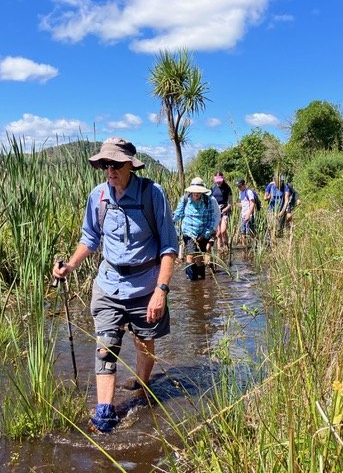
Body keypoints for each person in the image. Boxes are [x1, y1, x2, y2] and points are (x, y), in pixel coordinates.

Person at [52, 137, 178, 433]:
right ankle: (105, 412)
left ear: (130, 166)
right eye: (105, 164)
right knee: (106, 347)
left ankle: (144, 387)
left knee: (144, 342)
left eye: (116, 164)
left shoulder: (152, 194)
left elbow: (169, 247)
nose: (110, 170)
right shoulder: (98, 197)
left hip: (146, 286)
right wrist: (70, 265)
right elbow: (90, 238)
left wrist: (161, 291)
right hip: (108, 285)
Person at [172, 177, 220, 280]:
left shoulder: (209, 201)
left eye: (198, 192)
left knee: (199, 257)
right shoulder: (185, 199)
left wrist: (206, 233)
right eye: (194, 192)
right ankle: (191, 280)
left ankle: (200, 279)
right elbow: (178, 214)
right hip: (189, 232)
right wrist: (170, 221)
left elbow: (212, 218)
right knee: (190, 255)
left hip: (203, 232)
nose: (196, 194)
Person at [210, 172, 233, 251]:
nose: (218, 182)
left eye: (220, 180)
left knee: (223, 230)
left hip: (225, 211)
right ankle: (220, 249)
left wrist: (224, 209)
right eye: (217, 180)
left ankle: (227, 246)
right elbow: (210, 201)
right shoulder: (212, 188)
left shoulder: (227, 188)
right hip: (216, 211)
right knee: (218, 233)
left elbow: (230, 203)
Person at [235, 178, 257, 246]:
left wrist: (248, 214)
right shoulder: (240, 193)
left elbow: (252, 203)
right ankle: (244, 247)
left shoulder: (249, 192)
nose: (239, 187)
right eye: (238, 186)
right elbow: (243, 204)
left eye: (240, 186)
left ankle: (253, 246)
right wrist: (235, 204)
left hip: (249, 215)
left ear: (244, 185)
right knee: (243, 232)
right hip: (243, 215)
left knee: (250, 232)